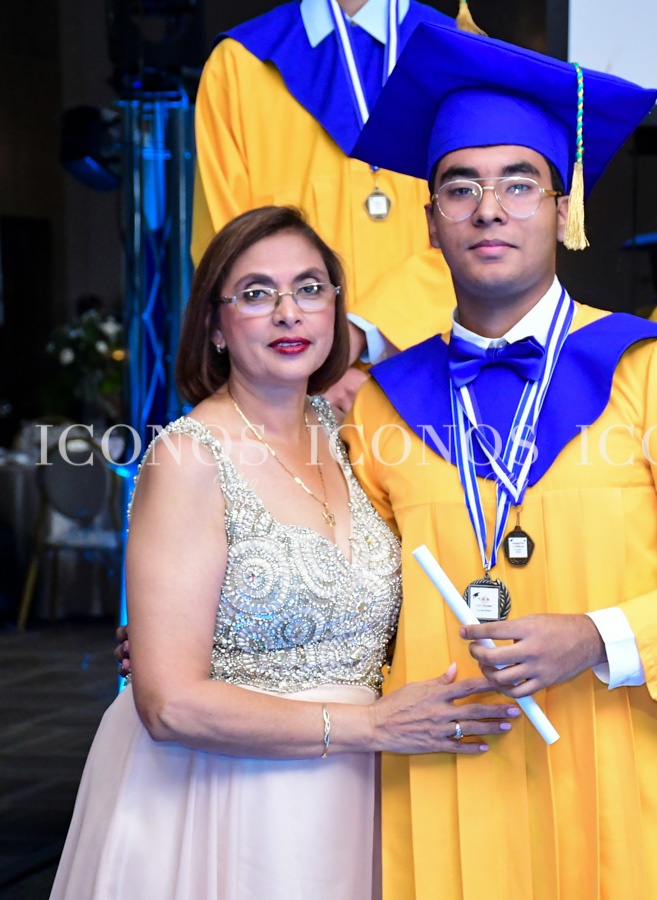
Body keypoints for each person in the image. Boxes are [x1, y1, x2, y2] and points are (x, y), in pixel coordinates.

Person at [340, 22, 657, 899]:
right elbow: (351, 593)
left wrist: (593, 638)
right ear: (430, 224)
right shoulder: (383, 404)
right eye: (460, 188)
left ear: (563, 210)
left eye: (520, 183)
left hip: (631, 787)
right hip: (452, 784)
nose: (489, 209)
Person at [52, 206, 517, 900]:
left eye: (309, 288)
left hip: (352, 788)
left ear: (335, 310)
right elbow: (169, 706)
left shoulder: (353, 435)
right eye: (256, 293)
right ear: (214, 325)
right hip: (228, 792)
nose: (288, 313)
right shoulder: (187, 458)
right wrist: (372, 724)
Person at [192, 0, 479, 415]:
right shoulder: (239, 67)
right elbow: (224, 256)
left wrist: (359, 333)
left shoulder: (459, 53)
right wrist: (315, 371)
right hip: (289, 396)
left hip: (437, 383)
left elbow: (481, 233)